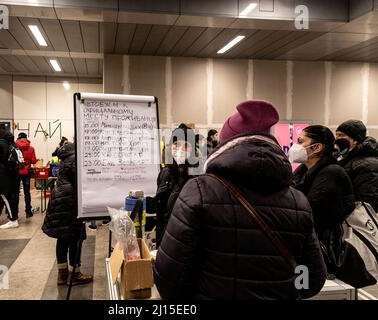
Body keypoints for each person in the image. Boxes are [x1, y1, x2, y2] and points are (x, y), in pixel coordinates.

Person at [154, 100, 327, 300]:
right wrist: (290, 287)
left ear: (225, 146)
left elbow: (170, 277)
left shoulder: (199, 191)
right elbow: (310, 281)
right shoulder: (298, 201)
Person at [292, 125, 355, 241]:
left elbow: (312, 210)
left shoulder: (331, 173)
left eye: (300, 141)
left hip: (324, 242)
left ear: (317, 147)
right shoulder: (303, 171)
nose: (295, 146)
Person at [42, 143, 93, 286]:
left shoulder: (64, 160)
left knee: (62, 238)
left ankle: (62, 274)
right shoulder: (74, 160)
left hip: (59, 200)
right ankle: (75, 274)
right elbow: (82, 181)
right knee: (76, 238)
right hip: (70, 203)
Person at [150, 123, 197, 247]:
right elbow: (162, 207)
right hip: (163, 241)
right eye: (176, 144)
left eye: (186, 145)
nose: (180, 149)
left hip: (186, 245)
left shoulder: (198, 177)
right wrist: (142, 204)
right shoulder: (164, 174)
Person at [335, 120, 378, 212]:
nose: (337, 139)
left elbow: (369, 200)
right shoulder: (343, 158)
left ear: (355, 140)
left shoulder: (369, 164)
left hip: (353, 220)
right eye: (337, 135)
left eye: (341, 135)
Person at [0, 124, 20, 229]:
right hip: (12, 174)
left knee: (5, 197)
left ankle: (13, 220)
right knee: (1, 197)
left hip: (2, 175)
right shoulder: (12, 143)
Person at [16, 132, 37, 218]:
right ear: (26, 138)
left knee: (16, 193)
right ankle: (28, 211)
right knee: (27, 192)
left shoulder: (15, 147)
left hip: (16, 172)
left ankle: (15, 213)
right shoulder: (31, 148)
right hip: (26, 172)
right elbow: (34, 160)